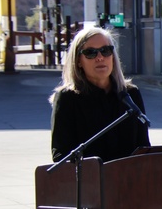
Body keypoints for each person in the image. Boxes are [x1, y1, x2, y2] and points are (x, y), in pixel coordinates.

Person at [50, 26, 150, 162]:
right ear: (78, 61)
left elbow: (144, 146)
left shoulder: (130, 94)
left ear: (113, 57)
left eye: (105, 51)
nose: (100, 58)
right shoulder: (67, 98)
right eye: (91, 53)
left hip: (128, 180)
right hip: (90, 180)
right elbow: (60, 155)